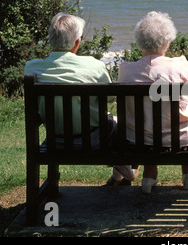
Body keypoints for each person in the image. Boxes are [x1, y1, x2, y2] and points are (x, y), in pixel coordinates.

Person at [24, 12, 138, 186]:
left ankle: (120, 175)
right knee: (120, 125)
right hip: (93, 141)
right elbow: (110, 98)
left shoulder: (32, 68)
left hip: (56, 141)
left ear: (50, 39)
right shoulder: (94, 66)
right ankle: (126, 171)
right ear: (77, 42)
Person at [118, 11, 188, 193]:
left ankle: (149, 175)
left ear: (139, 42)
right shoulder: (180, 65)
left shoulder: (126, 71)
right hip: (183, 140)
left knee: (150, 129)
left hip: (139, 141)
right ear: (167, 42)